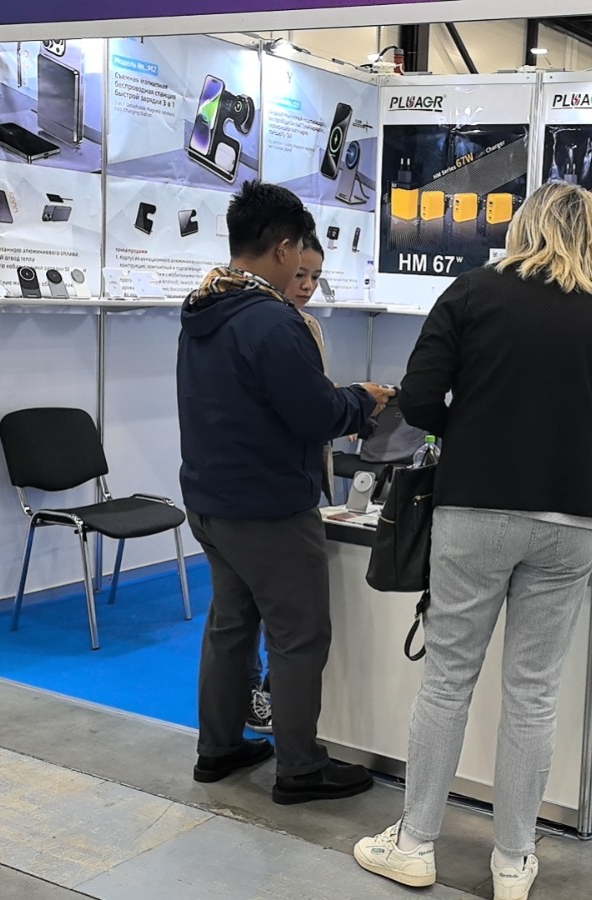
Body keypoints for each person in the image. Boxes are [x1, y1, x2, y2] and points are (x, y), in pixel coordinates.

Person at [353, 182, 592, 900]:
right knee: (534, 692)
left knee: (448, 679)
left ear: (523, 226)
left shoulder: (472, 293)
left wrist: (472, 431)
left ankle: (415, 844)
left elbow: (418, 399)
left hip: (475, 506)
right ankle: (514, 861)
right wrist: (576, 451)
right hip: (574, 518)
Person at [178, 180, 393, 802]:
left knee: (230, 626)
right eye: (300, 252)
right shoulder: (273, 321)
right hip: (269, 508)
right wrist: (363, 401)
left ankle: (218, 747)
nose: (303, 267)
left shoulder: (205, 307)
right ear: (282, 248)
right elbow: (314, 413)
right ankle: (300, 767)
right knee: (299, 635)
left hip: (211, 501)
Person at [239, 233, 334, 738]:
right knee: (283, 621)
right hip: (266, 495)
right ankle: (294, 753)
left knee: (259, 615)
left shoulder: (307, 326)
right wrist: (351, 407)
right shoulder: (265, 324)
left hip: (291, 482)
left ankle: (261, 706)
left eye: (315, 277)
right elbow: (304, 409)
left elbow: (312, 398)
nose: (307, 285)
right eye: (300, 274)